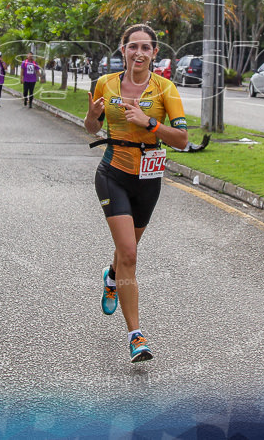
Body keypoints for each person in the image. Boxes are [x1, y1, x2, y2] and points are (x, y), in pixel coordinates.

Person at [84, 23, 188, 363]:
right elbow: (91, 128)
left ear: (155, 53)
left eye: (146, 48)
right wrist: (92, 115)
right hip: (112, 172)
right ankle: (136, 336)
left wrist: (149, 123)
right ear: (123, 49)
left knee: (125, 254)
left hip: (148, 179)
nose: (139, 53)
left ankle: (111, 276)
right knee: (129, 253)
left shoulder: (166, 89)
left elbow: (182, 140)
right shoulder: (105, 83)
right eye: (133, 47)